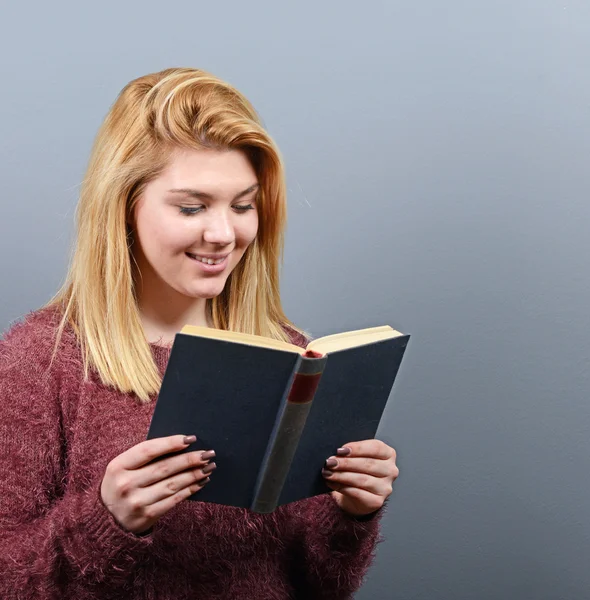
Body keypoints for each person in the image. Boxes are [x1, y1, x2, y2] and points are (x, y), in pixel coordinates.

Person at [0, 67, 400, 599]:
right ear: (124, 207)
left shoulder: (288, 353)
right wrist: (105, 520)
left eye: (242, 206)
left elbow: (319, 585)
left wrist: (353, 513)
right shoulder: (39, 361)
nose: (223, 234)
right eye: (191, 207)